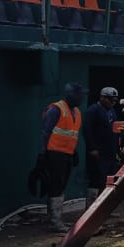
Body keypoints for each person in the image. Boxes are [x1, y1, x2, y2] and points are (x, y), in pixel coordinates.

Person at [38, 82, 83, 231]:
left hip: (67, 154)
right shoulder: (56, 109)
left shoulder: (76, 112)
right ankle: (55, 221)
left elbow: (71, 134)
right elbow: (46, 132)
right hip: (54, 153)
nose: (81, 98)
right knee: (56, 186)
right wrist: (42, 153)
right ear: (71, 95)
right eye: (79, 95)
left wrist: (74, 152)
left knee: (61, 185)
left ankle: (56, 219)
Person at [82, 86, 121, 205]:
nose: (113, 102)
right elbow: (87, 131)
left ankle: (103, 208)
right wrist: (92, 148)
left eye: (115, 100)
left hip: (110, 152)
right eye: (110, 99)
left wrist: (118, 150)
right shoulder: (93, 110)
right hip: (98, 152)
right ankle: (91, 208)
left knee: (107, 180)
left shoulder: (112, 112)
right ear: (102, 98)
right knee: (96, 180)